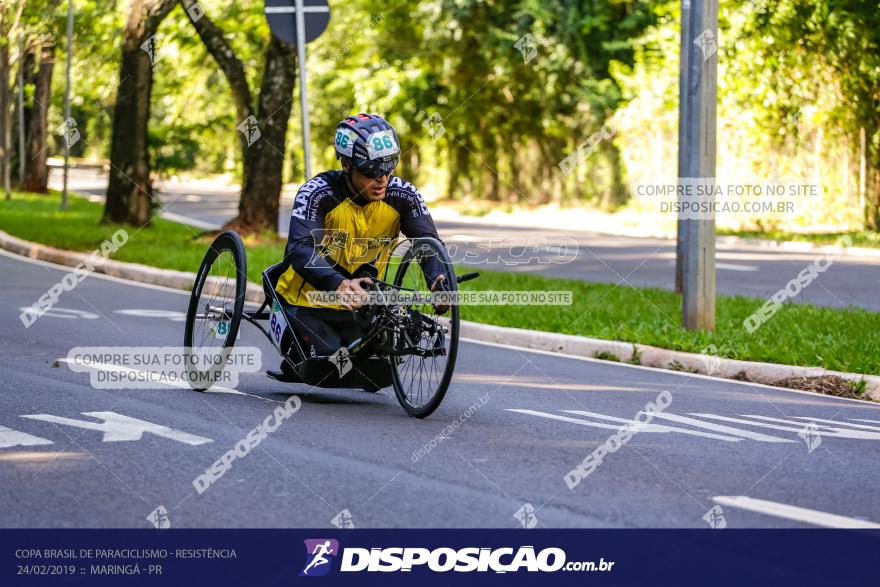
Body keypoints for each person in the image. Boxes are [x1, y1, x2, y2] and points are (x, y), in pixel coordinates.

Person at [267, 113, 448, 382]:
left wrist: (438, 280)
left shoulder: (403, 196)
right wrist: (338, 283)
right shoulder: (318, 193)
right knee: (327, 367)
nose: (382, 179)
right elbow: (300, 248)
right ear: (346, 165)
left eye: (387, 169)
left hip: (360, 307)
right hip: (305, 302)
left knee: (376, 371)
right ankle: (297, 352)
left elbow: (428, 244)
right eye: (371, 172)